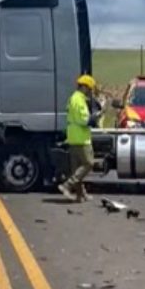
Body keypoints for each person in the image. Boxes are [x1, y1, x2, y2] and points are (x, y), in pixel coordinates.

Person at [59, 74, 98, 202]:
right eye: (90, 89)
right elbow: (83, 120)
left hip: (73, 137)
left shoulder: (73, 98)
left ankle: (81, 195)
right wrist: (95, 117)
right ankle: (67, 185)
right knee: (88, 163)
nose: (90, 92)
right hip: (81, 138)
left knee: (77, 169)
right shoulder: (79, 100)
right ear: (85, 87)